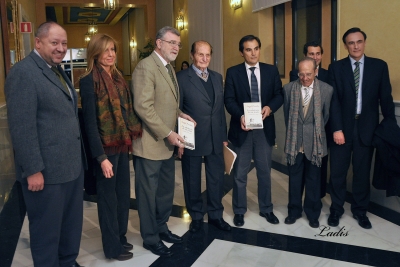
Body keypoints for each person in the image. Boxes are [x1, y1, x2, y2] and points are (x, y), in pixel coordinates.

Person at [5, 21, 85, 267]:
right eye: (55, 43)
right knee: (46, 233)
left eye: (64, 43)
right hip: (45, 173)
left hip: (70, 168)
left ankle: (68, 261)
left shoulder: (57, 70)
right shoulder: (23, 73)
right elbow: (22, 127)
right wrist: (33, 169)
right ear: (38, 42)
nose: (61, 48)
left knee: (71, 226)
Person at [132, 26, 195, 257]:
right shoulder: (145, 67)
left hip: (167, 145)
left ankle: (161, 228)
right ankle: (150, 238)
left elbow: (166, 101)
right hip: (150, 144)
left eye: (178, 44)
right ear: (158, 43)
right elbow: (144, 107)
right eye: (171, 43)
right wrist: (169, 133)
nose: (176, 48)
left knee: (165, 193)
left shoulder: (168, 68)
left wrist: (180, 114)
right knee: (148, 196)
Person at [80, 33, 142, 261]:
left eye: (113, 50)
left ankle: (120, 237)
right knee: (108, 201)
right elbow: (90, 124)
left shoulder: (118, 78)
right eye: (105, 50)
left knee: (123, 197)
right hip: (105, 150)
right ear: (95, 53)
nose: (110, 54)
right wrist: (101, 157)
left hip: (122, 147)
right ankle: (111, 247)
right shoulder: (89, 80)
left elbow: (126, 114)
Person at [328, 27, 396, 229]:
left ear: (364, 42)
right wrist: (336, 128)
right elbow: (333, 102)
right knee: (338, 172)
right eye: (351, 42)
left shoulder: (379, 66)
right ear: (346, 45)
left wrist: (389, 128)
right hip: (342, 129)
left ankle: (360, 211)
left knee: (362, 173)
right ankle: (336, 209)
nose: (355, 46)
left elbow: (386, 98)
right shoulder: (336, 68)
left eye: (359, 41)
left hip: (367, 129)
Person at [224, 35, 283, 227]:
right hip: (242, 129)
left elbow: (278, 95)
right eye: (248, 50)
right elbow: (229, 100)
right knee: (240, 174)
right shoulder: (233, 72)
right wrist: (241, 115)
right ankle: (239, 211)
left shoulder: (271, 70)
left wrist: (270, 108)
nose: (253, 53)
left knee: (264, 172)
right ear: (242, 52)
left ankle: (266, 209)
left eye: (256, 48)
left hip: (264, 130)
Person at [176, 41, 230, 233]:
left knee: (216, 179)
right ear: (192, 55)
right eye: (200, 55)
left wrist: (223, 135)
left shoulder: (217, 77)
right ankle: (196, 216)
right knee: (192, 179)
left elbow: (220, 110)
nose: (204, 59)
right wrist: (180, 139)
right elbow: (177, 110)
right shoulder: (181, 78)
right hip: (192, 137)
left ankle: (216, 215)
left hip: (215, 136)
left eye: (208, 55)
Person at [283, 57, 333, 228]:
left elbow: (325, 117)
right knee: (295, 180)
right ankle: (294, 212)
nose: (305, 78)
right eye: (301, 74)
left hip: (316, 144)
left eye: (309, 74)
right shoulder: (289, 89)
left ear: (316, 72)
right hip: (295, 143)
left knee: (313, 181)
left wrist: (314, 133)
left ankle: (313, 214)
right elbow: (287, 116)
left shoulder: (327, 90)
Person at [290, 41, 329, 198]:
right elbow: (290, 111)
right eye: (311, 54)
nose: (315, 56)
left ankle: (314, 206)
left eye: (318, 53)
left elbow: (327, 111)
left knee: (316, 175)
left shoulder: (328, 78)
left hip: (318, 136)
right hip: (297, 138)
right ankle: (295, 207)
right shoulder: (294, 78)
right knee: (297, 175)